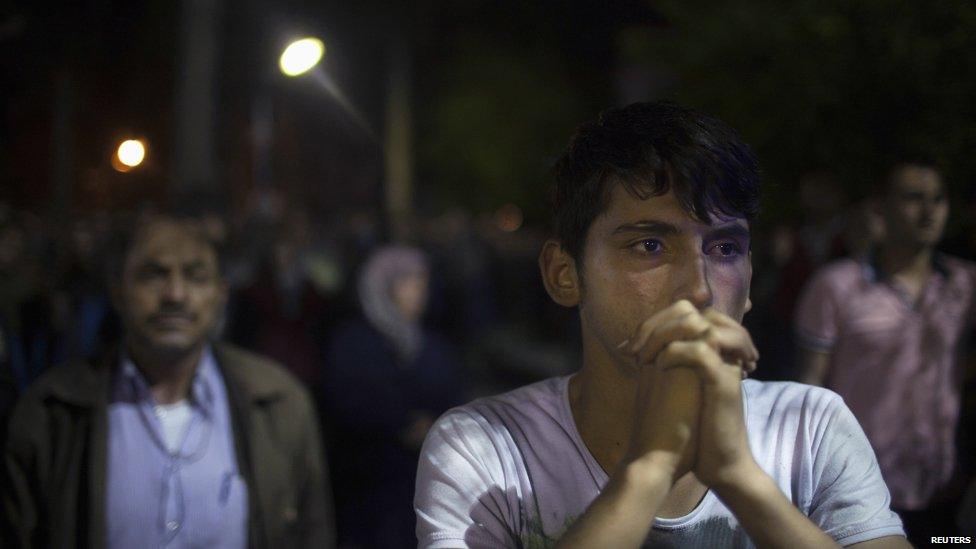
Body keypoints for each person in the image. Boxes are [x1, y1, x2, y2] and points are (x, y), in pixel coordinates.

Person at [414, 102, 908, 548]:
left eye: (724, 248)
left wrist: (741, 479)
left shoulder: (809, 426)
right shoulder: (485, 448)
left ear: (751, 278)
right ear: (564, 275)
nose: (699, 290)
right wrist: (647, 472)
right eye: (649, 245)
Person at [1, 209, 335, 548]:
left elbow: (312, 533)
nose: (175, 294)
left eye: (195, 276)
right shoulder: (53, 412)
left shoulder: (277, 403)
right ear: (118, 292)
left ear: (220, 295)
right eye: (154, 275)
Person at [795, 161, 976, 543]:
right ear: (881, 208)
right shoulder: (837, 286)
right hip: (855, 496)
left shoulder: (964, 286)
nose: (929, 211)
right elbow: (807, 385)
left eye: (938, 199)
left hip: (942, 493)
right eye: (914, 198)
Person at [323, 245, 461, 548]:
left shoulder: (433, 344)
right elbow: (347, 403)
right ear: (382, 287)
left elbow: (454, 397)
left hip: (424, 486)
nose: (418, 290)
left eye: (422, 280)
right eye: (406, 281)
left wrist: (436, 426)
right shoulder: (352, 342)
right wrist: (400, 425)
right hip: (370, 487)